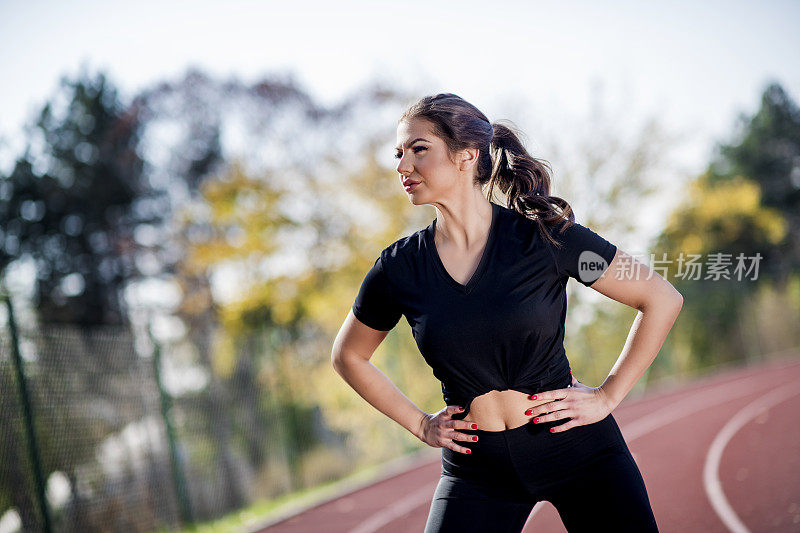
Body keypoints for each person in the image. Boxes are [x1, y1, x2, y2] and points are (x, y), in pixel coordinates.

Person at [331, 93, 682, 532]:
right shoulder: (399, 269)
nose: (403, 166)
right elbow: (348, 356)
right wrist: (420, 424)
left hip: (577, 452)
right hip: (477, 472)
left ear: (466, 156)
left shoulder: (550, 239)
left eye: (419, 150)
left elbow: (660, 297)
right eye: (399, 153)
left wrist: (608, 396)